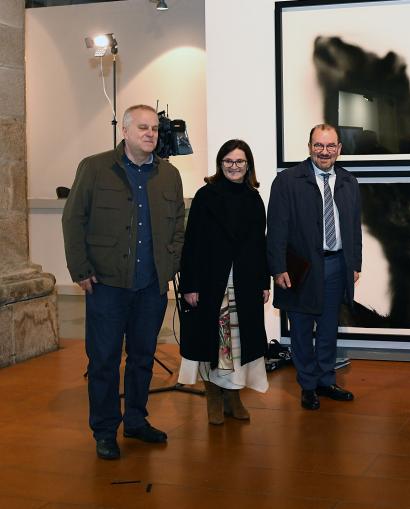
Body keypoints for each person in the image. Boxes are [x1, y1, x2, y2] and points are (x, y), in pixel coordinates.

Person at [62, 104, 184, 460]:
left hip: (151, 286)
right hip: (107, 285)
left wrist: (171, 262)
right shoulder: (95, 168)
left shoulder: (169, 175)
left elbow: (178, 225)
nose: (150, 134)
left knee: (143, 357)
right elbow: (73, 220)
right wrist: (80, 269)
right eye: (143, 128)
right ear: (125, 131)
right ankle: (104, 430)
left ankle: (135, 420)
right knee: (103, 360)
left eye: (155, 130)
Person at [267, 123, 362, 411]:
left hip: (336, 265)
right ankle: (307, 386)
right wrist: (278, 267)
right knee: (301, 329)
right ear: (309, 147)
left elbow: (354, 227)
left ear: (339, 149)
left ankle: (325, 380)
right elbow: (277, 228)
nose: (324, 151)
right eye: (318, 145)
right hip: (300, 267)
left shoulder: (348, 181)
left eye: (330, 146)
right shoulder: (287, 181)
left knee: (329, 328)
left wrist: (354, 263)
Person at [177, 139, 270, 425]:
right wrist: (189, 285)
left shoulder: (254, 199)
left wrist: (264, 282)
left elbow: (259, 245)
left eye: (239, 161)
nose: (234, 166)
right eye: (228, 161)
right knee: (213, 342)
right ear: (220, 164)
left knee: (238, 341)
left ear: (248, 165)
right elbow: (191, 243)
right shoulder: (205, 196)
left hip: (243, 282)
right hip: (209, 282)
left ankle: (233, 395)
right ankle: (213, 395)